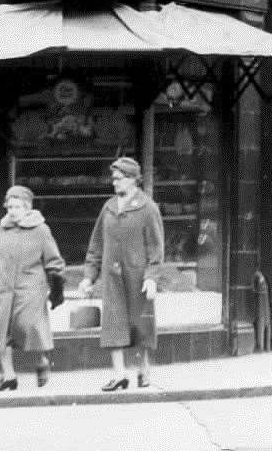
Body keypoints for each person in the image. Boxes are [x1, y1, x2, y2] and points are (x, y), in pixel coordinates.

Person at [77, 156, 164, 391]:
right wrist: (88, 276)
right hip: (112, 277)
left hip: (138, 277)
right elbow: (96, 245)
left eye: (119, 178)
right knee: (113, 322)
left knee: (141, 323)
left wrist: (152, 277)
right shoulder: (109, 207)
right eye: (113, 179)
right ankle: (119, 375)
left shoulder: (148, 208)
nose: (114, 183)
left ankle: (143, 368)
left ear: (133, 179)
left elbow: (156, 248)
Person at [0, 184, 64, 392]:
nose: (12, 211)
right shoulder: (2, 229)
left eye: (17, 207)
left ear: (27, 208)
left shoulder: (41, 230)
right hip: (3, 287)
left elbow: (54, 263)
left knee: (29, 328)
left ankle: (43, 359)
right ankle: (8, 376)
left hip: (30, 290)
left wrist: (56, 291)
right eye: (9, 207)